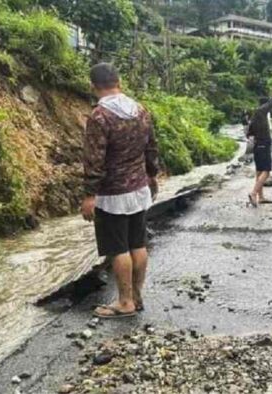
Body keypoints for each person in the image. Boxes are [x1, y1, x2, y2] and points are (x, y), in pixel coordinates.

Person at [81, 63, 160, 319]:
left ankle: (125, 302)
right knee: (138, 243)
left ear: (94, 87)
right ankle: (136, 296)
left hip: (112, 195)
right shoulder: (141, 111)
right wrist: (152, 175)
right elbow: (151, 147)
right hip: (139, 189)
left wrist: (89, 195)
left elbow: (94, 159)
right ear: (119, 82)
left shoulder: (100, 117)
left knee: (118, 248)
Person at [246, 81, 272, 207]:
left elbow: (249, 133)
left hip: (258, 145)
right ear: (265, 105)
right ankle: (253, 193)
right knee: (266, 172)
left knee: (259, 171)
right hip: (263, 144)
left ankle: (260, 197)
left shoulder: (255, 115)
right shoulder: (261, 112)